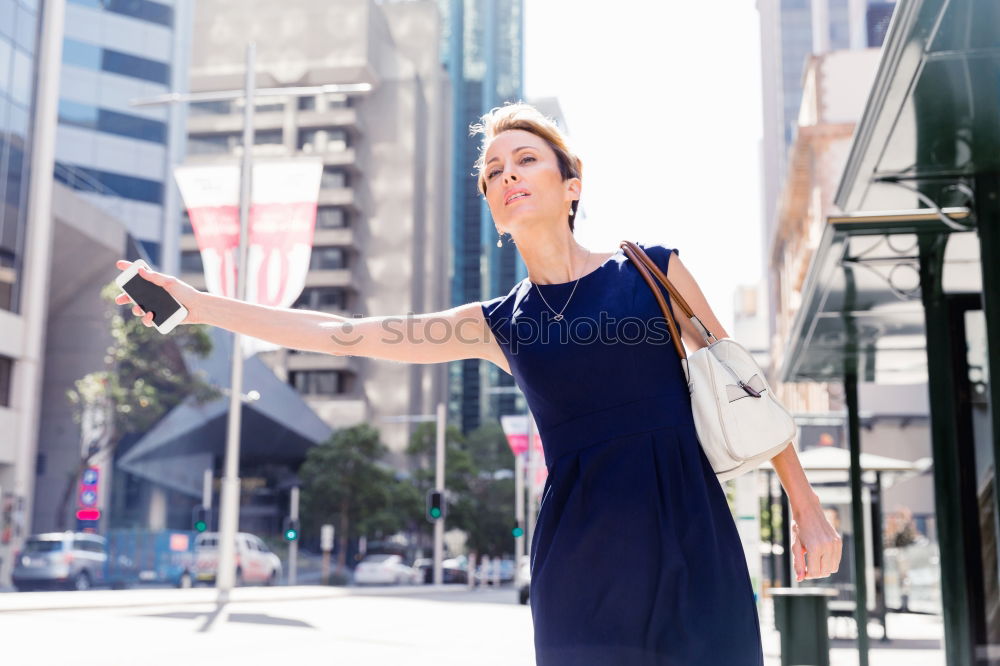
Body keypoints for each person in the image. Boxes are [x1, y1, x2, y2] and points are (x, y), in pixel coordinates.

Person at [116, 101, 842, 664]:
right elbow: (344, 334)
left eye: (524, 160)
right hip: (581, 558)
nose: (506, 177)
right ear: (493, 210)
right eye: (493, 173)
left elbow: (747, 390)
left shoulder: (650, 272)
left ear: (571, 186)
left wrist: (804, 503)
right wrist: (198, 306)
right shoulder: (495, 323)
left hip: (691, 530)